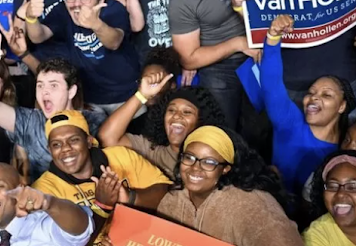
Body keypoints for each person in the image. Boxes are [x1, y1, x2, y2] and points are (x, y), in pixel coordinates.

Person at [151, 126, 307, 246]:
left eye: (209, 162)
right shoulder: (172, 200)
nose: (195, 168)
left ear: (226, 168)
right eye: (189, 157)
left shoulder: (252, 205)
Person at [34, 110, 171, 246]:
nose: (65, 148)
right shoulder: (43, 190)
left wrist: (130, 197)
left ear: (89, 141)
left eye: (73, 140)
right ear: (49, 150)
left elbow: (166, 193)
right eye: (56, 144)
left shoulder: (121, 157)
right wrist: (102, 208)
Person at [0, 42, 106, 180]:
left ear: (71, 91)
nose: (45, 92)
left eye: (53, 86)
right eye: (40, 85)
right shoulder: (30, 122)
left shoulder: (94, 121)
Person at [261, 15, 356, 195]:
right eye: (311, 93)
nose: (314, 98)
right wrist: (273, 38)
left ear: (342, 106)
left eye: (326, 95)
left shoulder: (347, 146)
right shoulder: (289, 122)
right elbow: (271, 84)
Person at [23, 0, 141, 114]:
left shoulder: (113, 8)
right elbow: (38, 37)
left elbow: (114, 42)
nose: (77, 4)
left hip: (125, 93)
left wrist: (96, 24)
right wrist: (30, 18)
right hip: (89, 97)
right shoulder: (62, 10)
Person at [98, 74, 226, 175]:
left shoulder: (212, 160)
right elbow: (108, 138)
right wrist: (142, 96)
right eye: (171, 110)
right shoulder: (154, 152)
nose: (176, 116)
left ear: (202, 121)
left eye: (187, 112)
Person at [170, 0, 257, 129]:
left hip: (261, 52)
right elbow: (189, 59)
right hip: (218, 65)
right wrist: (237, 44)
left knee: (261, 127)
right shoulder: (182, 3)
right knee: (222, 128)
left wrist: (241, 8)